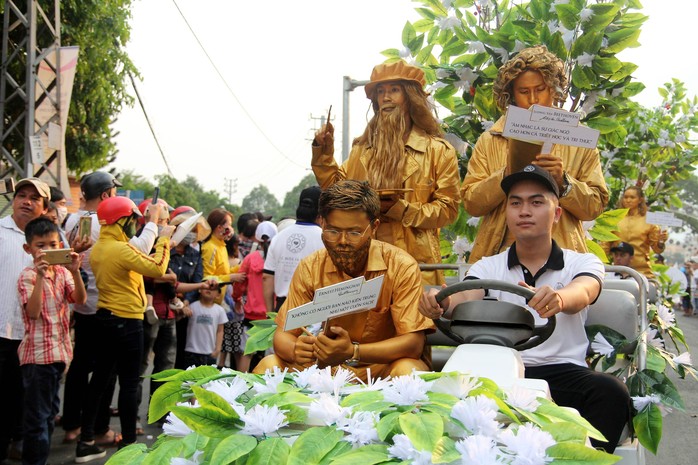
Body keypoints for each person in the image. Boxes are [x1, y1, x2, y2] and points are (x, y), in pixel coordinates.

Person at [419, 165, 630, 453]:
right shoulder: (487, 266)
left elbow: (583, 291)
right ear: (506, 214)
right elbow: (465, 296)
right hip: (497, 371)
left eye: (536, 202)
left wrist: (558, 299)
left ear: (556, 214)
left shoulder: (582, 263)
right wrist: (442, 301)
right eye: (515, 203)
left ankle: (585, 458)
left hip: (561, 373)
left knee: (611, 392)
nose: (524, 211)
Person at [253, 180, 435, 382]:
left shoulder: (401, 266)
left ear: (374, 227)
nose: (342, 242)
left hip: (379, 371)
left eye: (354, 233)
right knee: (268, 366)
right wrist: (296, 349)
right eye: (333, 231)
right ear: (321, 223)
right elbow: (283, 335)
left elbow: (413, 343)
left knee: (409, 372)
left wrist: (353, 351)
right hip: (322, 371)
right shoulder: (310, 267)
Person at [311, 61, 461, 285]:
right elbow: (337, 190)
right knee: (366, 321)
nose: (386, 97)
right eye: (380, 92)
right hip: (366, 264)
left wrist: (401, 209)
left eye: (394, 90)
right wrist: (323, 153)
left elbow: (448, 209)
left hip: (417, 265)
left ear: (410, 97)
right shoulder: (362, 150)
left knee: (414, 320)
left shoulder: (438, 151)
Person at [461, 45, 609, 263]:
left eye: (540, 89)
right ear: (511, 95)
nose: (533, 99)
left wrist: (564, 182)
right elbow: (471, 203)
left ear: (554, 88)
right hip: (498, 257)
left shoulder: (579, 139)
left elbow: (595, 206)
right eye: (523, 92)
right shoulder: (491, 138)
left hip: (562, 260)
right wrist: (505, 175)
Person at [61, 171, 162, 446]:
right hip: (108, 306)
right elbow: (139, 250)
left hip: (85, 305)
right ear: (106, 195)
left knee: (83, 368)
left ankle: (74, 426)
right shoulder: (103, 226)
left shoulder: (74, 219)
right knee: (109, 377)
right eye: (115, 193)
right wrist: (155, 224)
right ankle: (100, 429)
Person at [75, 196, 171, 462]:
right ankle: (130, 445)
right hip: (127, 322)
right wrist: (163, 238)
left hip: (104, 319)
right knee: (129, 383)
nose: (134, 225)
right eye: (132, 220)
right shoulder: (119, 249)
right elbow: (157, 267)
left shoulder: (102, 246)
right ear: (121, 221)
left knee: (100, 381)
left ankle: (86, 441)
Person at [17, 217, 86, 465]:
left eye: (53, 244)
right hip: (37, 358)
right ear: (29, 249)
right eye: (41, 246)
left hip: (59, 355)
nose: (48, 250)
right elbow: (33, 313)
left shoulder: (63, 273)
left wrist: (76, 272)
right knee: (38, 421)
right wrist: (40, 276)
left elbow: (79, 298)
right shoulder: (27, 276)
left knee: (47, 417)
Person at [0, 177, 50, 463]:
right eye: (22, 195)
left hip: (31, 337)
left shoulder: (51, 241)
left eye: (34, 198)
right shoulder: (1, 230)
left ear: (43, 208)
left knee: (21, 400)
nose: (26, 201)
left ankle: (15, 442)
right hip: (0, 330)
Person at [263, 185, 324, 312]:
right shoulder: (325, 239)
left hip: (282, 308)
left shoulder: (278, 238)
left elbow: (267, 277)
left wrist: (270, 313)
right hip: (312, 311)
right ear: (322, 210)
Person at [233, 220, 277, 372]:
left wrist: (236, 299)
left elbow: (239, 283)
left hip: (251, 313)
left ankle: (241, 386)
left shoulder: (250, 259)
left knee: (247, 352)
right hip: (271, 313)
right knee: (269, 355)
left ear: (257, 238)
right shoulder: (277, 259)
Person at [603, 186, 667, 279]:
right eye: (625, 197)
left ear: (640, 200)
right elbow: (604, 246)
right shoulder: (614, 219)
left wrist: (661, 242)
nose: (628, 200)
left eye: (632, 197)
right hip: (618, 271)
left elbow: (657, 250)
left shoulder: (649, 221)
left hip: (642, 272)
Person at [184, 281, 228, 367]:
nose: (209, 290)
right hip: (191, 351)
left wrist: (218, 349)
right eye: (206, 287)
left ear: (218, 295)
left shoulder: (220, 310)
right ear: (200, 289)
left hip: (209, 353)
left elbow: (220, 331)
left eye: (213, 289)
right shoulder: (192, 307)